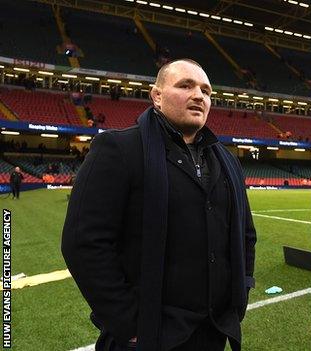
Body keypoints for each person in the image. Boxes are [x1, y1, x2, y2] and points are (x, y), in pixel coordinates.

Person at [62, 59, 256, 351]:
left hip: (213, 332)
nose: (198, 96)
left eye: (206, 91)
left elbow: (246, 235)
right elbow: (83, 243)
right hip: (148, 337)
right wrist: (128, 324)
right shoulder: (119, 149)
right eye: (185, 86)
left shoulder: (227, 161)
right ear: (157, 96)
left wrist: (240, 292)